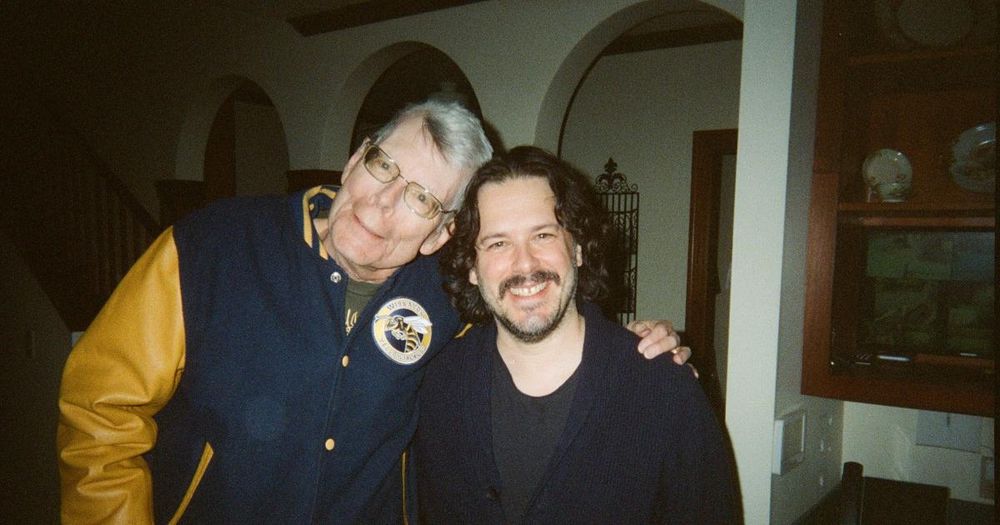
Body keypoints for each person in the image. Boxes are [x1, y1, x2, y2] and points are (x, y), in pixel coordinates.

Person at [57, 100, 687, 523]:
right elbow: (100, 411)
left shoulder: (450, 296)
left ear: (442, 233)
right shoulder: (209, 247)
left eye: (421, 198)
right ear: (357, 156)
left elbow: (531, 314)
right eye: (384, 165)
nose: (381, 203)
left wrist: (632, 345)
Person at [415, 146, 736, 523]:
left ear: (578, 249)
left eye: (543, 235)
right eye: (498, 243)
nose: (525, 264)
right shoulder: (438, 385)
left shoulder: (663, 389)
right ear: (472, 266)